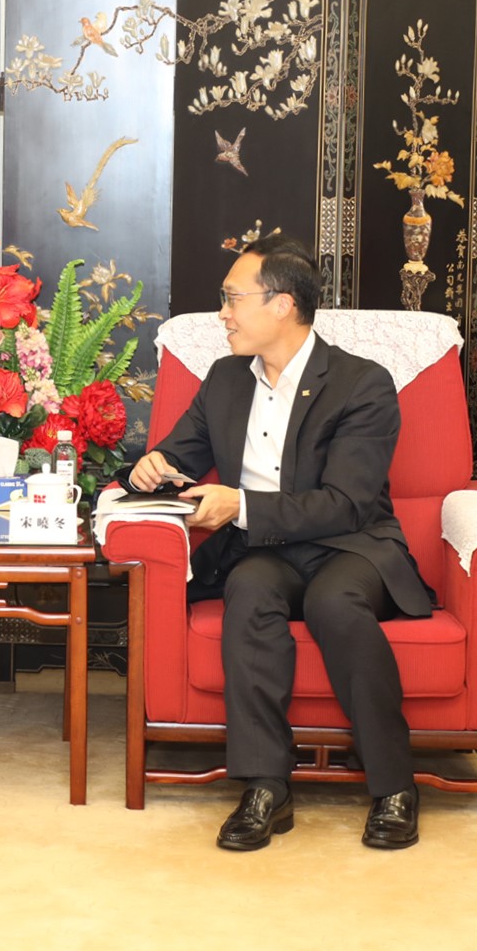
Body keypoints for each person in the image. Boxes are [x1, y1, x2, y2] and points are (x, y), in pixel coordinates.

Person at [123, 233, 433, 852]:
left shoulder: (361, 384)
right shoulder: (225, 379)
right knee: (248, 589)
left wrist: (240, 506)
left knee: (333, 603)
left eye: (233, 298)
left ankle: (395, 786)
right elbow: (178, 454)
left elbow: (346, 503)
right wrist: (148, 468)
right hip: (265, 550)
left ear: (283, 304)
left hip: (351, 545)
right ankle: (266, 786)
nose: (223, 314)